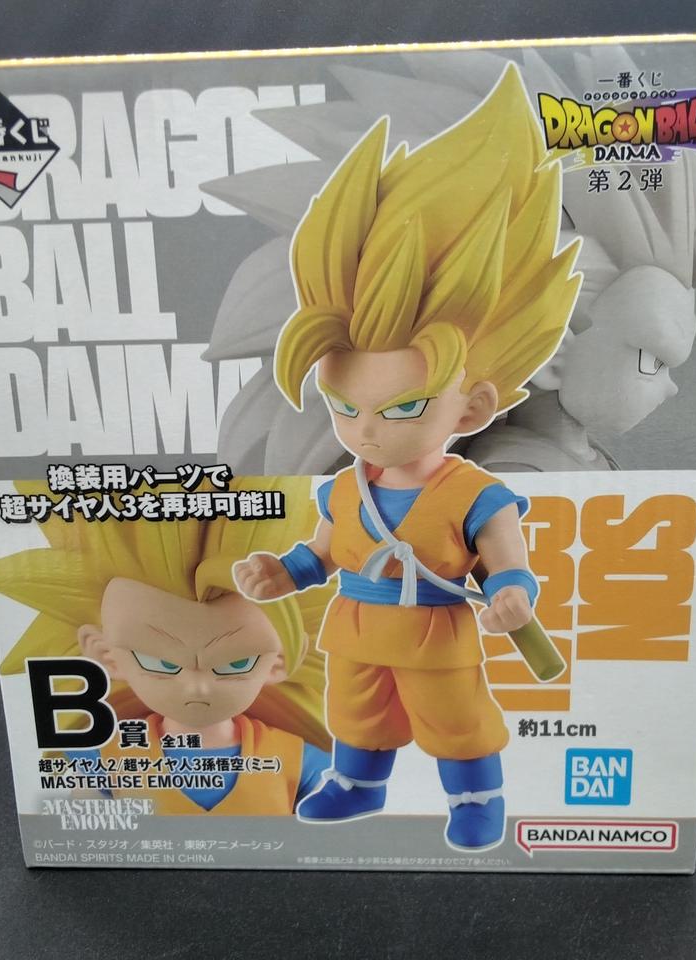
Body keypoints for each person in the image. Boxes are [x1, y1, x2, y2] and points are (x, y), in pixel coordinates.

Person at [233, 65, 579, 850]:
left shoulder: (476, 493)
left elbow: (510, 565)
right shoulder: (344, 488)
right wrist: (283, 572)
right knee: (356, 715)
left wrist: (514, 594)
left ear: (474, 408)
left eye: (402, 409)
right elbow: (324, 552)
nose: (366, 431)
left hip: (436, 632)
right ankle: (356, 786)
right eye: (344, 405)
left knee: (455, 718)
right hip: (356, 629)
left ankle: (476, 799)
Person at [0, 477, 331, 815]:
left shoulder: (301, 760)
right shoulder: (100, 759)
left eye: (236, 664)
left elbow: (334, 834)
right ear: (105, 654)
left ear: (282, 660)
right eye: (161, 663)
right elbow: (84, 835)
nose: (197, 687)